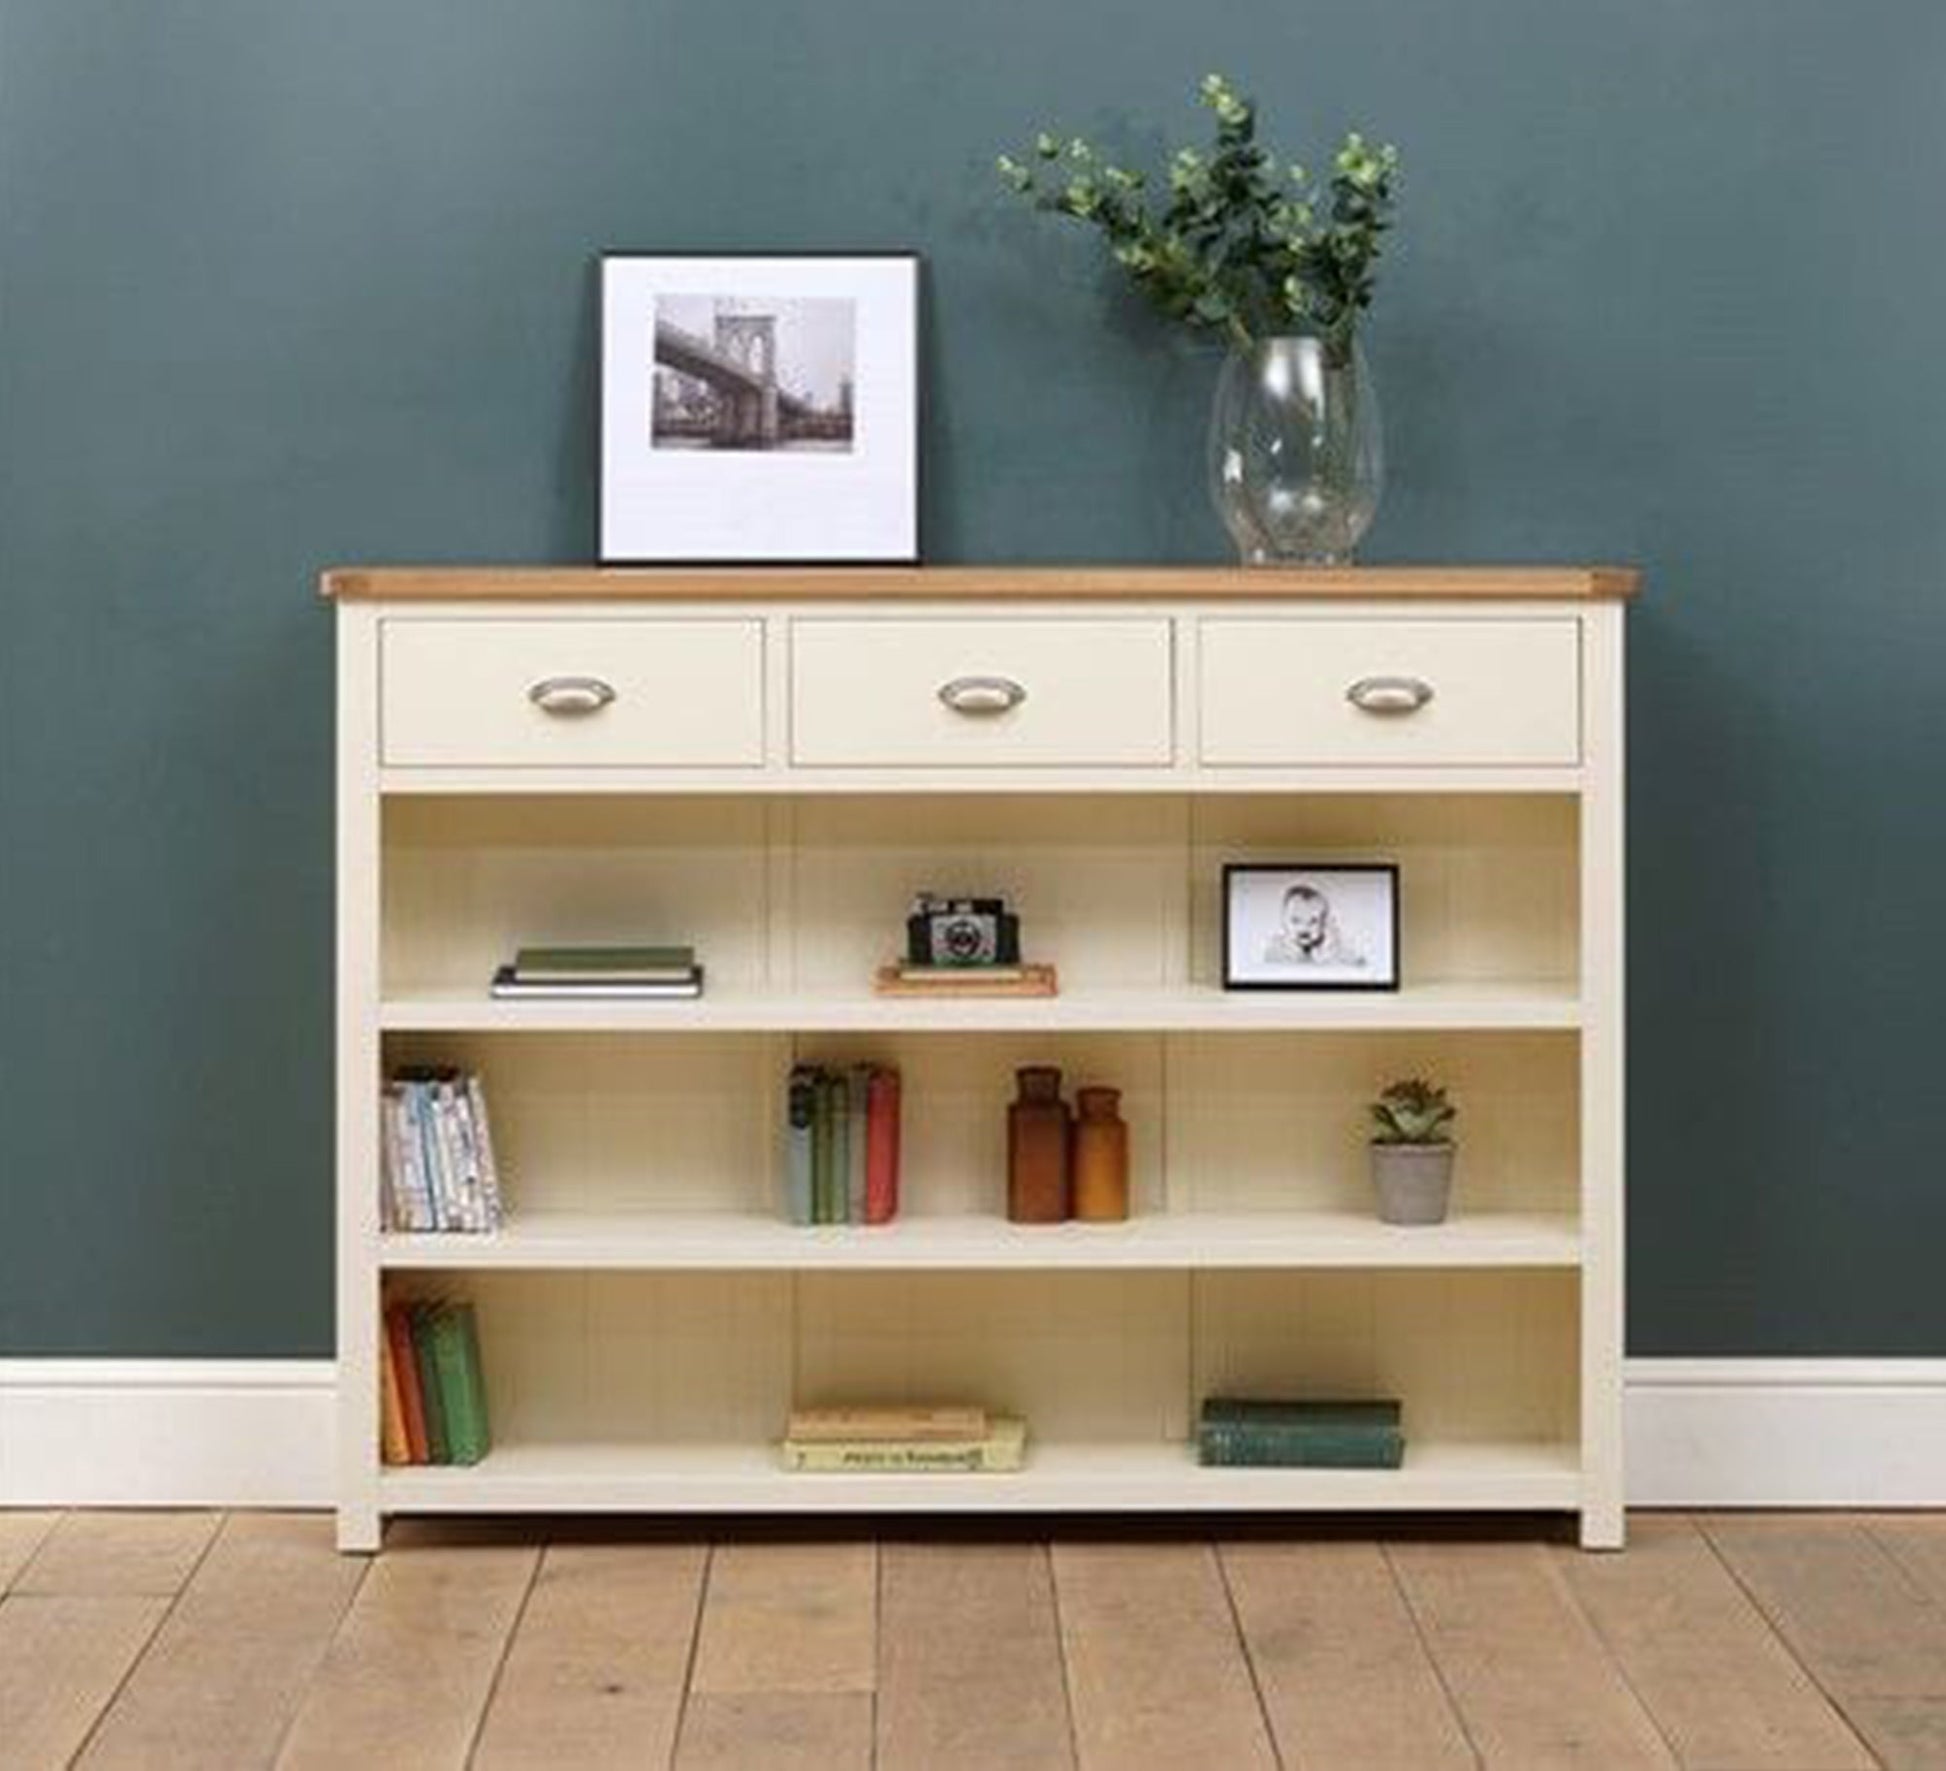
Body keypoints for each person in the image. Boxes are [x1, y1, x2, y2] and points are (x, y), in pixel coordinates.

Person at [1263, 883, 1366, 967]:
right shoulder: (1277, 947)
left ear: (1324, 923)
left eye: (1313, 921)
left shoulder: (1333, 946)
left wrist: (1331, 952)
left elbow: (1358, 962)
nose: (1304, 929)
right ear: (1283, 921)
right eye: (1296, 921)